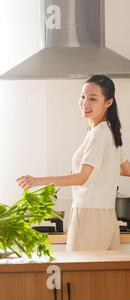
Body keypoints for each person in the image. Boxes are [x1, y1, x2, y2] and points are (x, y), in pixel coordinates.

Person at [17, 74, 130, 251]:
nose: (85, 103)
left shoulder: (99, 134)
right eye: (83, 96)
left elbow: (82, 178)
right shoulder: (109, 131)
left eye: (93, 98)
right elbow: (125, 169)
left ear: (108, 102)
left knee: (81, 275)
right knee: (102, 276)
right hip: (107, 216)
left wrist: (39, 180)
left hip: (88, 216)